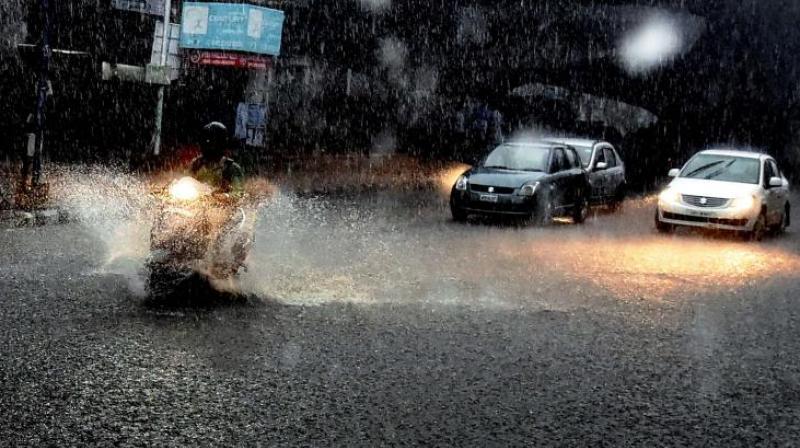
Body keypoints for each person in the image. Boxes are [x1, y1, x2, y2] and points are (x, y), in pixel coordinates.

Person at [189, 122, 252, 276]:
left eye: (211, 141)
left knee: (222, 236)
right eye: (205, 140)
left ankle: (221, 266)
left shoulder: (232, 168)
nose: (208, 144)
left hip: (224, 212)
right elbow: (187, 181)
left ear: (221, 143)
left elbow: (239, 193)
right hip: (196, 210)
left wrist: (224, 196)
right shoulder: (196, 164)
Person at [190, 122, 245, 196]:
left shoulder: (232, 169)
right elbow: (186, 184)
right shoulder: (196, 164)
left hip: (223, 206)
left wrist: (221, 196)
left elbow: (239, 195)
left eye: (211, 143)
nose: (208, 146)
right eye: (206, 142)